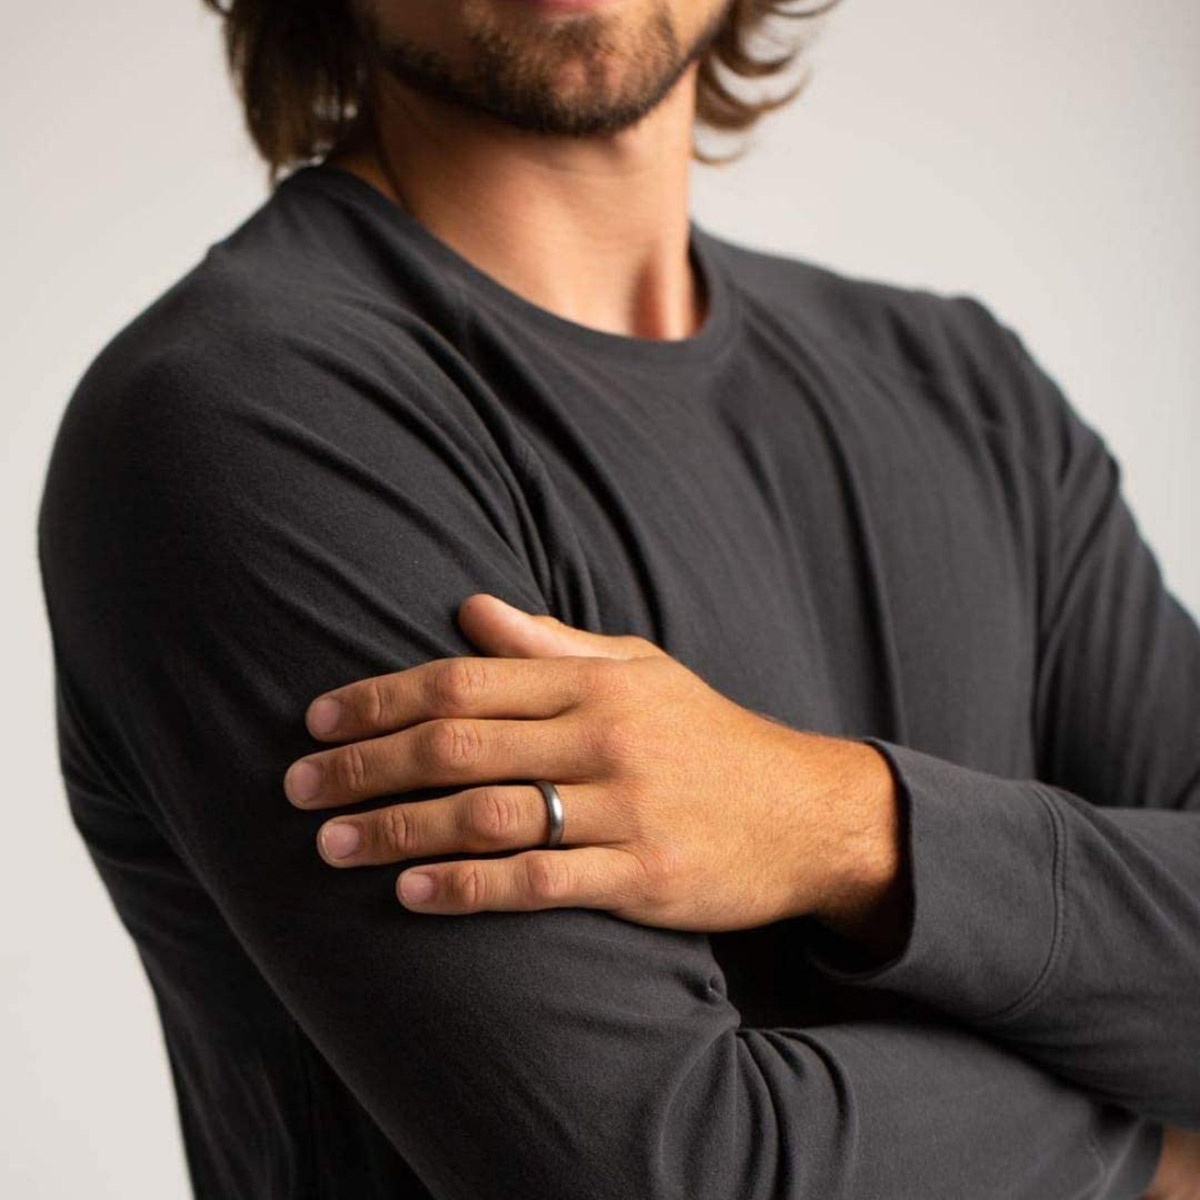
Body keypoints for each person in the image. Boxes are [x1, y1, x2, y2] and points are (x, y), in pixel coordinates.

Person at [35, 1, 1199, 1196]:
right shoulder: (251, 418)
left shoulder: (969, 390)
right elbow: (672, 1170)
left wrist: (842, 826)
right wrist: (1154, 1154)